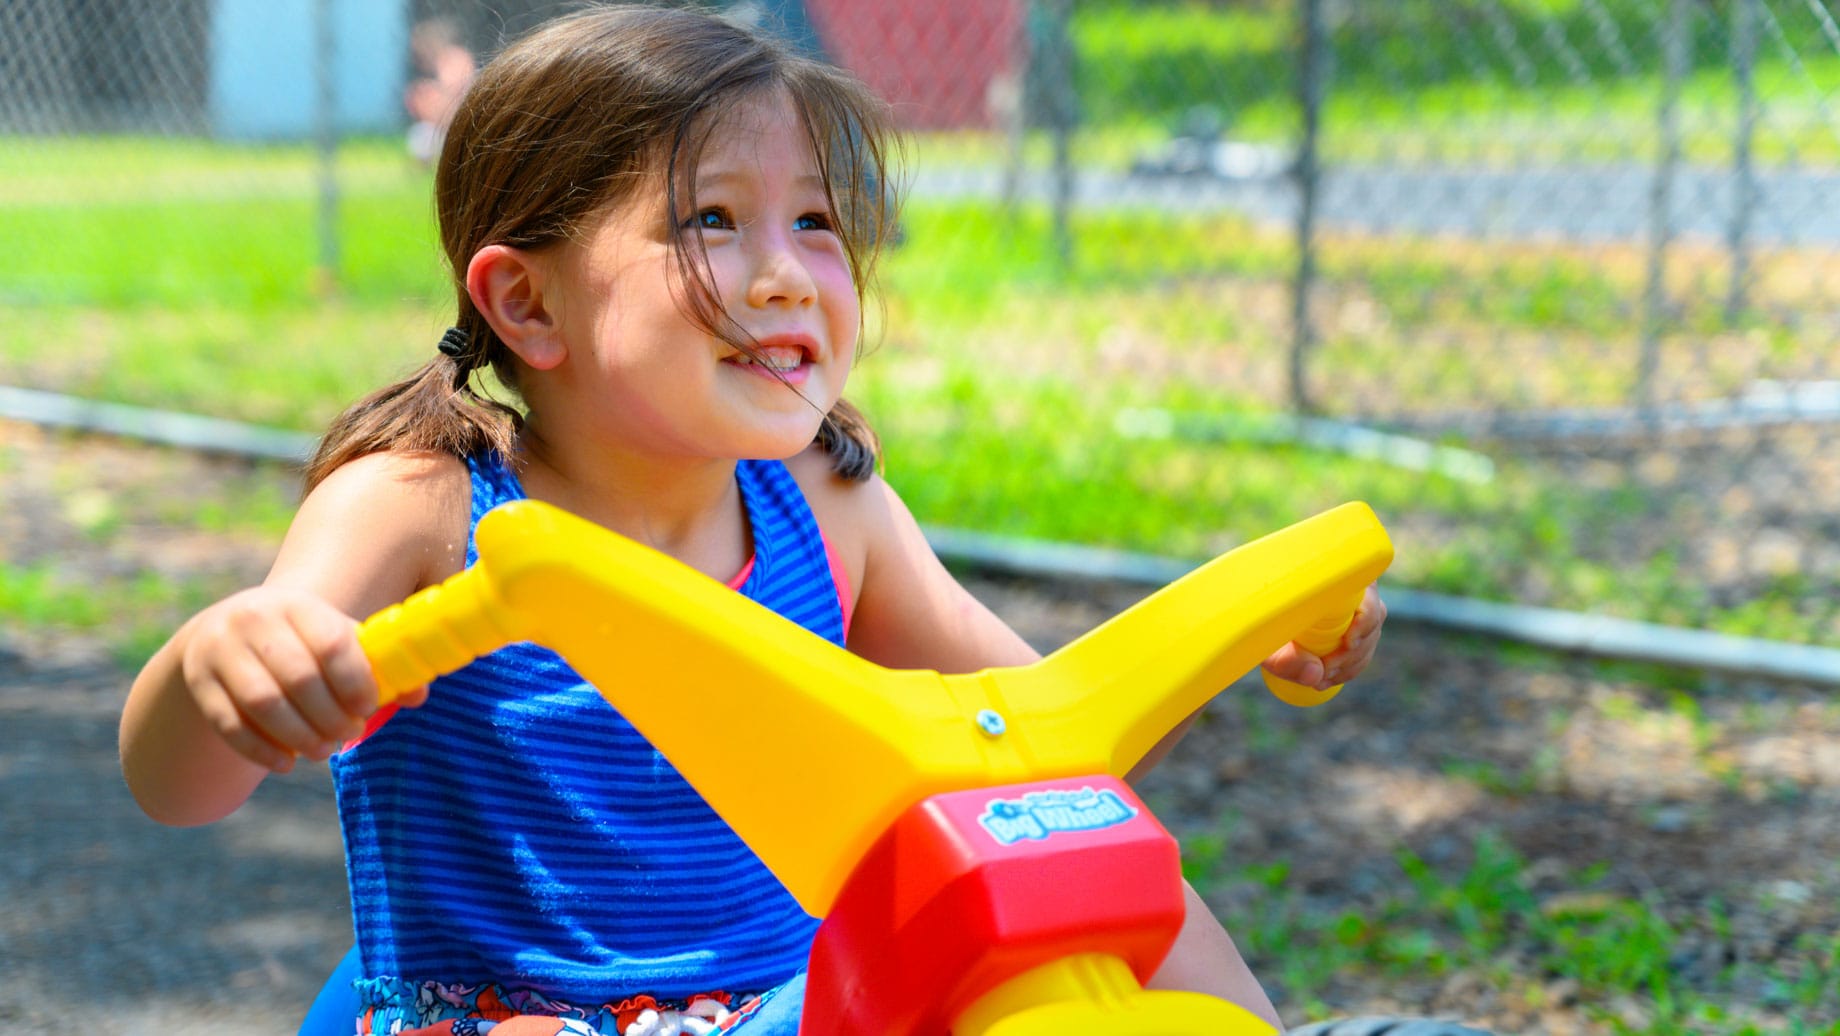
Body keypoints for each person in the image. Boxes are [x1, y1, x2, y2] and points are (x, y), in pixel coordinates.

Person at [119, 5, 1385, 1034]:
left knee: (1098, 868)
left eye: (817, 224)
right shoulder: (421, 504)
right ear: (529, 305)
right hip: (519, 1020)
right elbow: (180, 787)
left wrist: (1225, 645)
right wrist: (226, 663)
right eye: (711, 221)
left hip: (797, 1010)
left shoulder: (827, 506)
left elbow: (1034, 743)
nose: (785, 270)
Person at [403, 17, 475, 165]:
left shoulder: (454, 58)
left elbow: (456, 94)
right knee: (420, 135)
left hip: (465, 123)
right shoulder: (437, 67)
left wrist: (432, 98)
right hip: (441, 126)